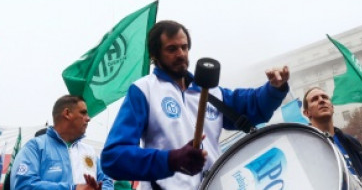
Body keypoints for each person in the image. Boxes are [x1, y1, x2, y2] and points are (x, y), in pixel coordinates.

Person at [101, 20, 290, 189]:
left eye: (184, 47)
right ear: (154, 54)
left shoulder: (210, 91)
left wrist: (274, 88)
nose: (181, 54)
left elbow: (253, 106)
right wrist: (170, 160)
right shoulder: (143, 91)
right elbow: (113, 157)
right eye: (172, 49)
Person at [11, 94, 113, 190]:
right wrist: (71, 188)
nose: (88, 118)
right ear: (67, 113)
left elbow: (108, 183)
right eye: (83, 113)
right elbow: (23, 185)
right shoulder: (35, 147)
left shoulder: (89, 152)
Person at [302, 86, 362, 177]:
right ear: (307, 113)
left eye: (325, 97)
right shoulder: (305, 149)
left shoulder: (351, 142)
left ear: (332, 107)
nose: (321, 100)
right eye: (314, 99)